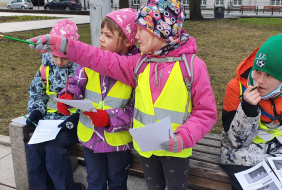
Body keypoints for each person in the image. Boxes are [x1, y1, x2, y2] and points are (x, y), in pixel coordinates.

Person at [27, 1, 217, 189]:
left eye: (142, 29)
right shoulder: (140, 63)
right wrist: (61, 45)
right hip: (146, 148)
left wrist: (184, 137)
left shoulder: (192, 66)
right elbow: (98, 58)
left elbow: (206, 112)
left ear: (162, 30)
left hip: (176, 149)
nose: (136, 36)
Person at [55, 8, 139, 190]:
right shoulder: (91, 62)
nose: (101, 38)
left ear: (127, 40)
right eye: (101, 33)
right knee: (94, 181)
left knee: (117, 183)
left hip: (117, 142)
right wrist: (67, 96)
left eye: (108, 35)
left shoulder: (136, 71)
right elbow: (76, 85)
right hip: (90, 139)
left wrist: (110, 118)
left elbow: (139, 110)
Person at [219, 34, 282, 190]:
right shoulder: (236, 87)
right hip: (244, 154)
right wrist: (248, 109)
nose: (259, 80)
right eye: (257, 70)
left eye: (269, 75)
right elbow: (236, 141)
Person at [25, 19, 85, 190]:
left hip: (73, 120)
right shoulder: (45, 67)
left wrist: (78, 113)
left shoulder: (82, 68)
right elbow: (36, 91)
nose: (59, 62)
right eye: (55, 56)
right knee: (35, 148)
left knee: (54, 150)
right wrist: (36, 110)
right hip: (48, 121)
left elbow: (90, 97)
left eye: (64, 58)